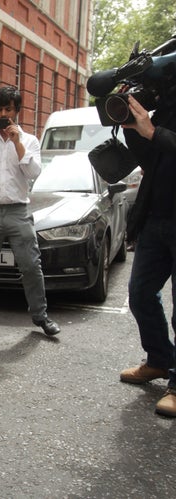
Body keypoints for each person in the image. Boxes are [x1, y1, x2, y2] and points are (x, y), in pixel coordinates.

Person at [0, 86, 60, 339]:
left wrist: (17, 143)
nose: (3, 114)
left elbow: (33, 173)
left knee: (30, 265)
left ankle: (40, 315)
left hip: (18, 210)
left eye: (8, 109)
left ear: (17, 111)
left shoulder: (29, 140)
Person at [119, 92, 176, 418]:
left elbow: (161, 140)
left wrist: (155, 132)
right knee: (140, 293)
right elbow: (149, 157)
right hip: (156, 217)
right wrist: (130, 126)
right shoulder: (167, 104)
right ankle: (158, 360)